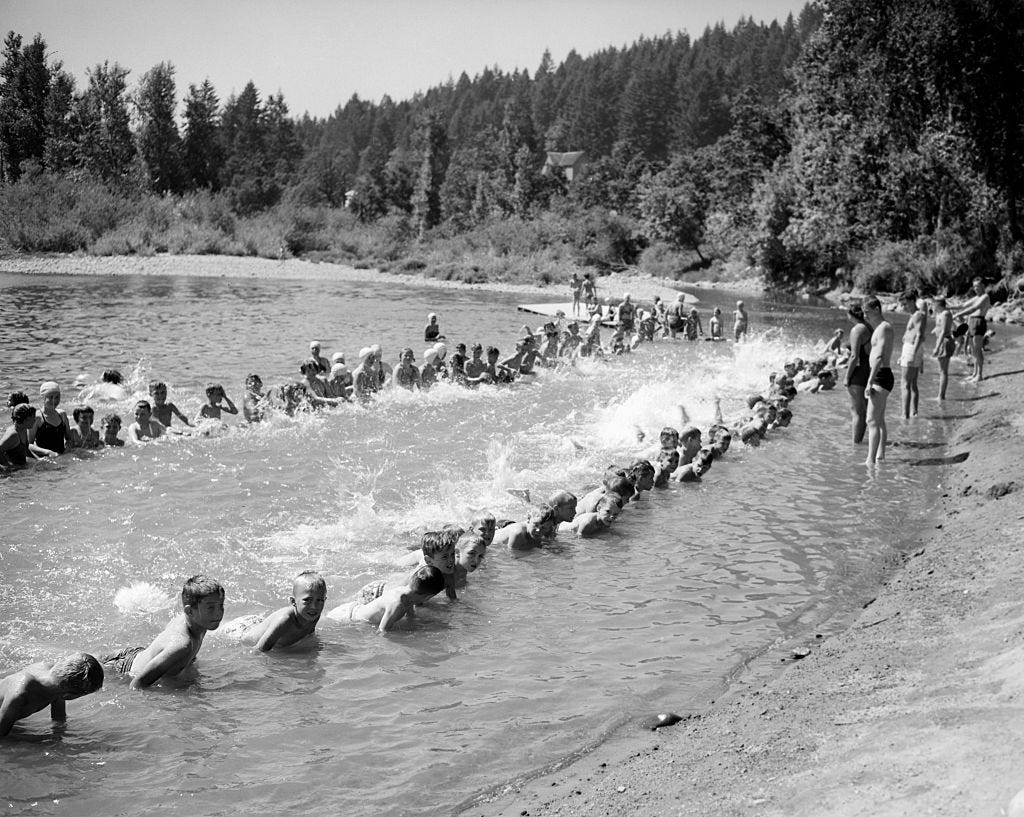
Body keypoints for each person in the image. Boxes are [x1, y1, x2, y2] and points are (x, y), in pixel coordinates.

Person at [102, 575, 224, 689]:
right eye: (211, 608)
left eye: (221, 605)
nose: (219, 612)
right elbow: (137, 684)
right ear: (190, 611)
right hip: (125, 668)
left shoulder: (201, 622)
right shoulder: (182, 645)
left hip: (136, 655)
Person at [0, 653, 103, 737]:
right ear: (69, 696)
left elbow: (59, 720)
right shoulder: (21, 694)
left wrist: (58, 741)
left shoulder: (56, 683)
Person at [326, 566, 445, 632]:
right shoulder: (397, 604)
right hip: (348, 618)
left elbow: (411, 617)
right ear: (427, 596)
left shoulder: (407, 595)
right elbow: (382, 631)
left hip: (354, 608)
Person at [233, 571, 326, 652]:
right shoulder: (284, 621)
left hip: (261, 624)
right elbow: (259, 650)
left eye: (320, 600)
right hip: (240, 631)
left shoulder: (313, 614)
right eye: (307, 600)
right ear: (293, 602)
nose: (314, 606)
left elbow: (309, 636)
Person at [862, 296, 894, 466]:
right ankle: (880, 456)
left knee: (871, 421)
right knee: (879, 419)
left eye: (867, 312)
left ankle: (870, 461)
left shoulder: (884, 328)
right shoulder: (879, 328)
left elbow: (880, 357)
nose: (865, 316)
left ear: (876, 309)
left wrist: (869, 381)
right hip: (881, 376)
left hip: (880, 376)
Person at [952, 277, 992, 382]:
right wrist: (947, 308)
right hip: (972, 322)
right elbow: (962, 305)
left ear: (983, 286)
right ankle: (974, 373)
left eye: (978, 286)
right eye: (974, 286)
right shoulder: (976, 297)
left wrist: (957, 315)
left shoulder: (985, 297)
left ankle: (979, 375)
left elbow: (973, 309)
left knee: (977, 349)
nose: (975, 288)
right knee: (972, 349)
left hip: (979, 322)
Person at [843, 304, 872, 444]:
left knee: (856, 412)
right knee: (864, 411)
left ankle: (855, 445)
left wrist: (847, 377)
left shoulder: (857, 329)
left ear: (850, 315)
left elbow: (854, 357)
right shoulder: (869, 327)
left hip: (858, 373)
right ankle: (860, 442)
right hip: (868, 370)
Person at [897, 290, 928, 420]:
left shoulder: (917, 315)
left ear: (910, 302)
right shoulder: (916, 315)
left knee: (904, 384)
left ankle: (905, 415)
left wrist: (913, 355)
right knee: (913, 383)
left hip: (911, 350)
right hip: (912, 349)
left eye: (903, 304)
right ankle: (914, 412)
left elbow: (920, 335)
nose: (902, 307)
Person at [492, 504, 558, 551]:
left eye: (544, 528)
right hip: (492, 538)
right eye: (536, 525)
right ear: (528, 519)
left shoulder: (537, 532)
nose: (538, 530)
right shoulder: (518, 533)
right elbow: (513, 556)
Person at [34, 381, 72, 455]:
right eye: (50, 397)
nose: (54, 400)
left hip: (61, 456)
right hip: (44, 459)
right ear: (43, 398)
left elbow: (69, 439)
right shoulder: (37, 417)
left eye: (57, 397)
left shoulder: (62, 415)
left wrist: (67, 450)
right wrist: (48, 452)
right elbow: (29, 445)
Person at [0, 404, 39, 469]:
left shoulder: (24, 429)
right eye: (33, 418)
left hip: (19, 468)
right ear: (26, 419)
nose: (35, 420)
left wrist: (38, 459)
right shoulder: (14, 435)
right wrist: (7, 466)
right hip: (8, 474)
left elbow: (26, 450)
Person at [931, 297, 955, 401]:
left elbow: (944, 331)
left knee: (943, 371)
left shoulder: (946, 313)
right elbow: (939, 327)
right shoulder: (939, 314)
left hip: (945, 341)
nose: (932, 307)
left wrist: (937, 347)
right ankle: (940, 395)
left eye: (933, 305)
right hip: (941, 341)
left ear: (938, 304)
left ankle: (941, 396)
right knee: (941, 370)